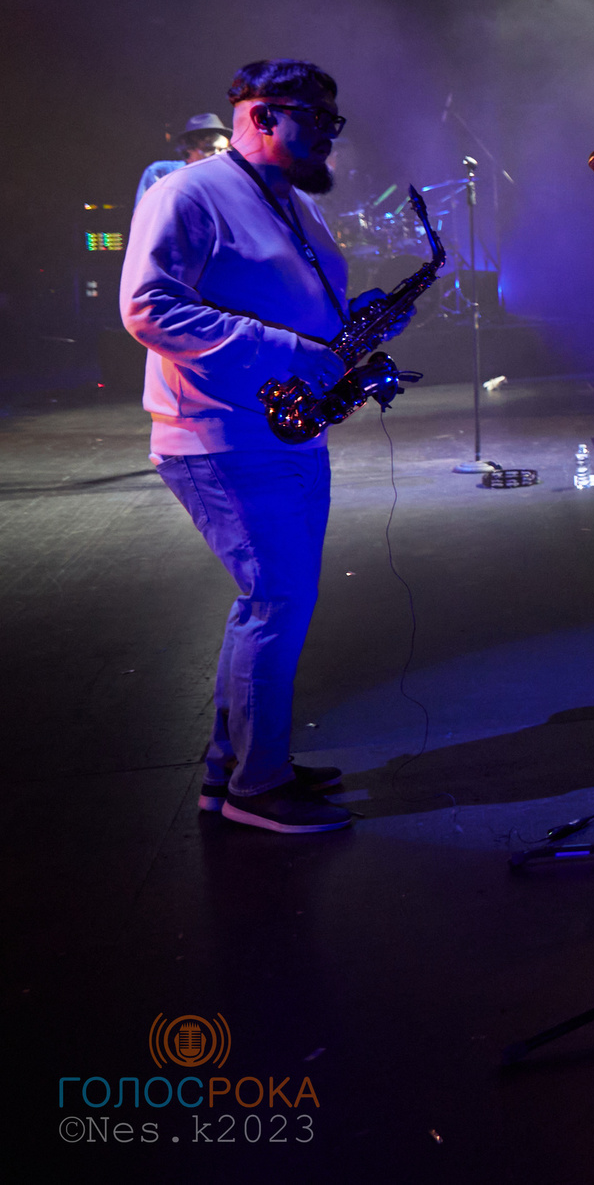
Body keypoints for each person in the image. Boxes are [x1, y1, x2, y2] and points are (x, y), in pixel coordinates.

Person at [118, 60, 398, 835]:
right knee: (277, 600)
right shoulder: (189, 192)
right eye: (320, 122)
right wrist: (284, 349)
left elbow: (290, 303)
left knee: (270, 602)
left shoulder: (291, 199)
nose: (330, 141)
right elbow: (147, 306)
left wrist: (356, 323)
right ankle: (257, 787)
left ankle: (232, 769)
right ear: (263, 115)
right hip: (220, 432)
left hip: (274, 428)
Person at [134, 110, 232, 209]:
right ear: (189, 150)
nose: (218, 155)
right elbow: (144, 215)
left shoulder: (227, 180)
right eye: (209, 149)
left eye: (223, 149)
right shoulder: (161, 172)